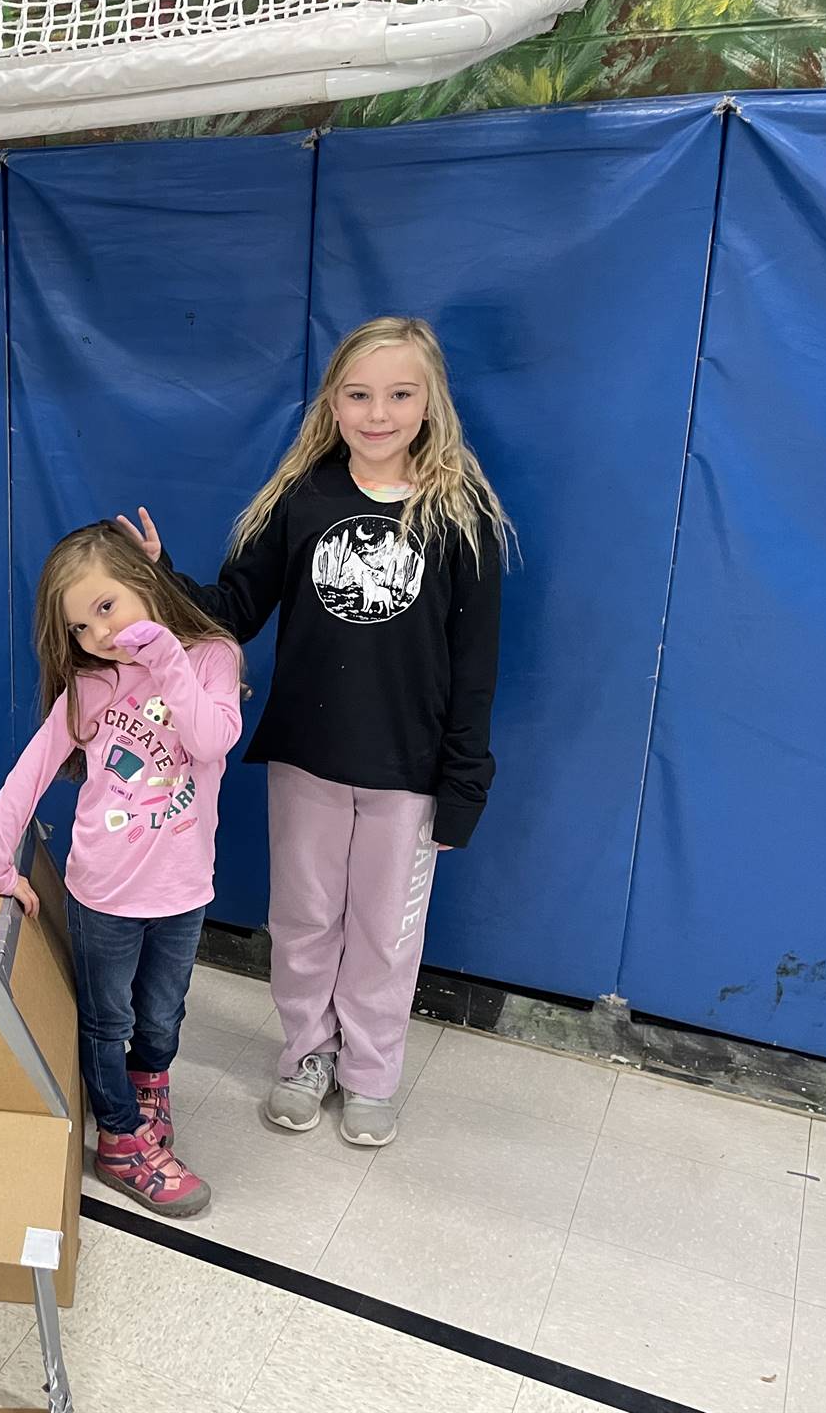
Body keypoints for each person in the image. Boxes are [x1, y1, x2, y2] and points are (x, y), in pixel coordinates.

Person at [119, 314, 508, 1148]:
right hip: (308, 757)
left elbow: (475, 664)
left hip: (409, 770)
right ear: (333, 403)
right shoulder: (304, 499)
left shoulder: (462, 515)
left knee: (386, 931)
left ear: (429, 401)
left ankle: (370, 1073)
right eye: (360, 394)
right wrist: (158, 579)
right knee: (303, 921)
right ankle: (308, 1055)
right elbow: (232, 609)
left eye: (400, 394)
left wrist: (463, 784)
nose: (379, 413)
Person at [0, 522, 243, 1216]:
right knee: (107, 1019)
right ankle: (122, 1140)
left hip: (185, 887)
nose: (98, 632)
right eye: (80, 624)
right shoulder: (91, 686)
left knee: (162, 1011)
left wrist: (164, 655)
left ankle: (148, 1081)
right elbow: (28, 775)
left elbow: (212, 739)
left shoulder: (213, 656)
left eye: (107, 606)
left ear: (145, 583)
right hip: (102, 893)